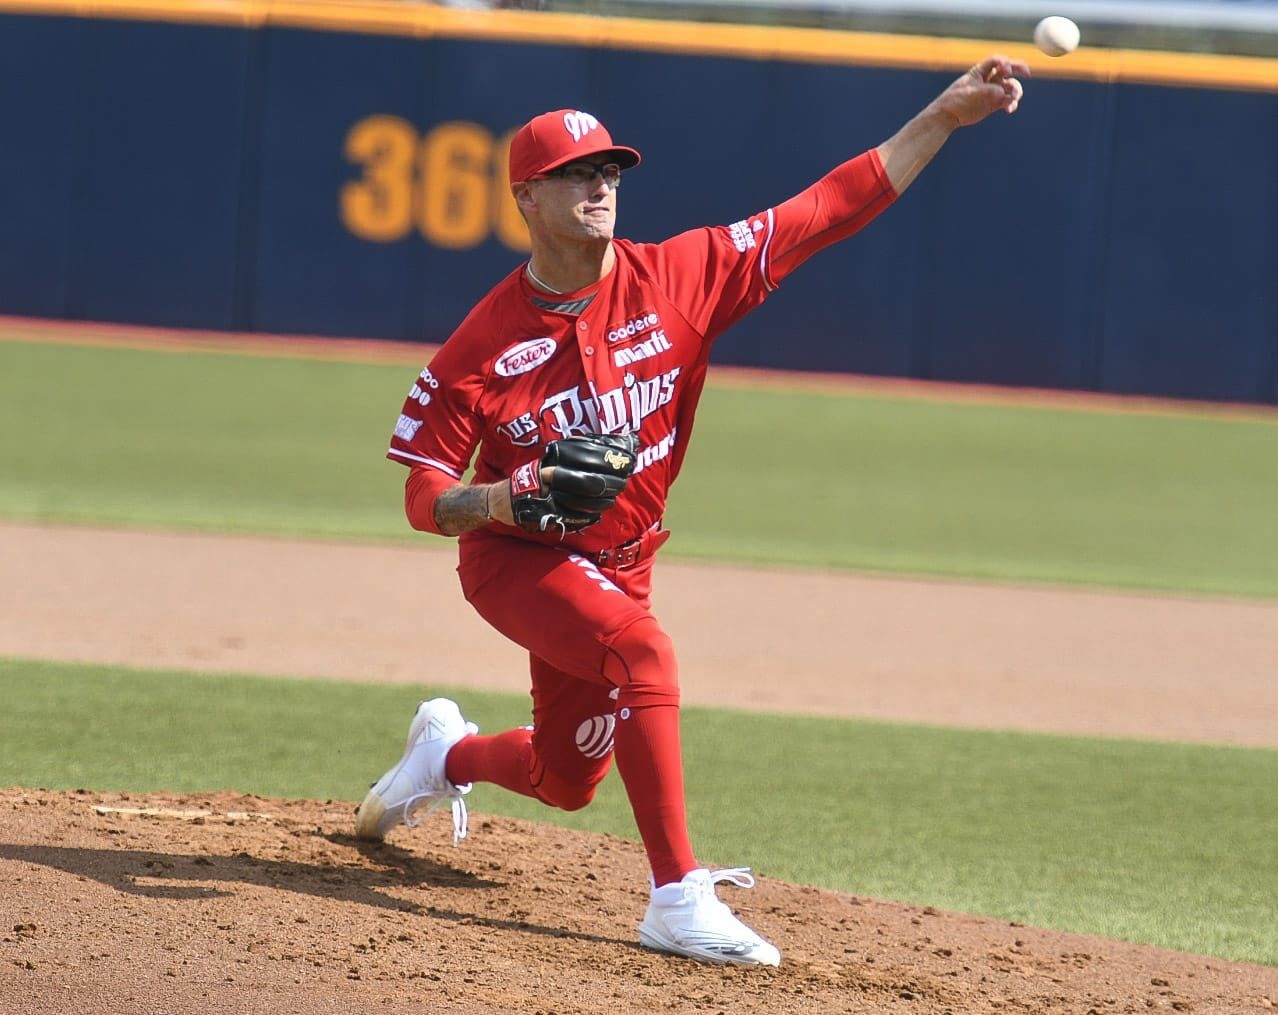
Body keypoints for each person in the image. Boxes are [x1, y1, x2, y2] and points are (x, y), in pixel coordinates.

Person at [355, 55, 1029, 967]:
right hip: (520, 561)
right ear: (527, 196)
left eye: (610, 171)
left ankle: (445, 756)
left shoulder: (682, 275)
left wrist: (942, 118)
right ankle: (676, 894)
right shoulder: (485, 343)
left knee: (565, 778)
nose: (601, 187)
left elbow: (829, 207)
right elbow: (423, 497)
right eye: (577, 174)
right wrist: (502, 495)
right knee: (644, 652)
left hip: (626, 555)